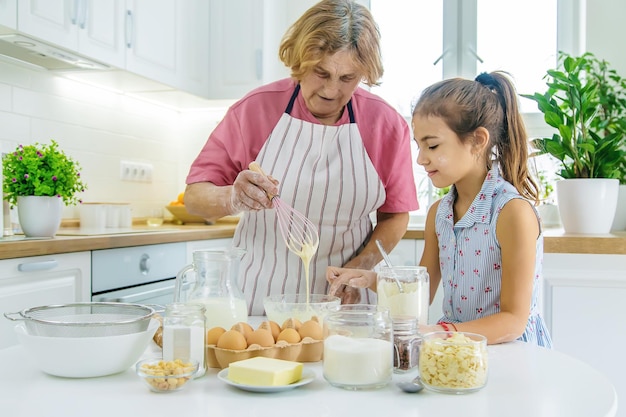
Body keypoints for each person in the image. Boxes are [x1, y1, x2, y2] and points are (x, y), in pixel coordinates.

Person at [184, 0, 418, 315]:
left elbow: (395, 215)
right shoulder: (255, 110)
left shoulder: (385, 124)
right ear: (300, 60)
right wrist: (233, 197)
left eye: (348, 78)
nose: (332, 90)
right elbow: (195, 197)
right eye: (321, 73)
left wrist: (360, 267)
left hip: (346, 310)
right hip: (259, 302)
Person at [327, 71, 552, 347]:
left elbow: (513, 321)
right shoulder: (439, 213)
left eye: (432, 145)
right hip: (458, 350)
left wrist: (440, 332)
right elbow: (424, 288)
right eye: (419, 146)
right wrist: (368, 278)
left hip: (513, 352)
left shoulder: (511, 213)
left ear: (478, 140)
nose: (421, 159)